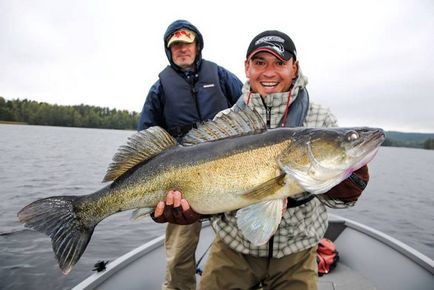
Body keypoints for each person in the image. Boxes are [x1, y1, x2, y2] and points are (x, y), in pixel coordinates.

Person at [153, 29, 369, 290]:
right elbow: (206, 191)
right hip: (234, 246)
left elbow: (336, 197)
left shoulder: (320, 119)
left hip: (297, 250)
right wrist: (190, 211)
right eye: (259, 63)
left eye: (280, 63)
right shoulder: (226, 120)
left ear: (294, 67)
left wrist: (347, 191)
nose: (269, 72)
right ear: (247, 67)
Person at [137, 20, 242, 290]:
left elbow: (248, 109)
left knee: (242, 247)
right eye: (176, 46)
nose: (182, 50)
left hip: (230, 176)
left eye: (187, 44)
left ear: (198, 46)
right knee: (179, 256)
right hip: (180, 184)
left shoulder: (221, 76)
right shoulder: (159, 88)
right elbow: (145, 139)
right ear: (169, 51)